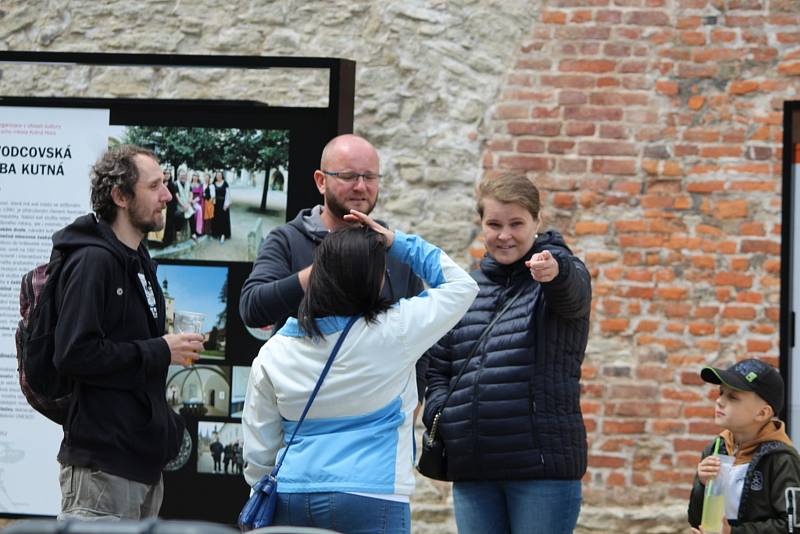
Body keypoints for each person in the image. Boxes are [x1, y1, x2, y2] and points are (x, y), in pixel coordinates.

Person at [243, 211, 478, 533]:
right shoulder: (396, 329)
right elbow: (462, 286)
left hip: (292, 495)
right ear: (375, 279)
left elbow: (260, 443)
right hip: (373, 494)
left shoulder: (275, 351)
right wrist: (395, 241)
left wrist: (262, 485)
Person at [423, 173, 591, 534]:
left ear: (537, 222)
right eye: (494, 224)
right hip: (474, 469)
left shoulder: (561, 271)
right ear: (481, 223)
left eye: (517, 223)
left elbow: (572, 293)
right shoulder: (464, 289)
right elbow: (438, 368)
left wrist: (554, 273)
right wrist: (442, 412)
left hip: (540, 471)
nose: (505, 235)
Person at [52, 145, 204, 520]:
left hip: (141, 465)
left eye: (166, 184)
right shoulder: (92, 262)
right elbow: (75, 353)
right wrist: (159, 350)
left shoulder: (140, 261)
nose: (168, 196)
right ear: (120, 196)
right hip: (102, 470)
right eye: (155, 186)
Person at [239, 134, 428, 412]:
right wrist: (321, 272)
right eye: (349, 176)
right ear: (320, 180)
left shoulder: (395, 250)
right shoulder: (287, 240)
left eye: (369, 177)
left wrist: (415, 400)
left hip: (378, 423)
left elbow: (423, 332)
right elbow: (253, 308)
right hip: (307, 418)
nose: (361, 186)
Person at [688, 359, 800, 533]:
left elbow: (792, 526)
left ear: (762, 413)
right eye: (721, 393)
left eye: (733, 397)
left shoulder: (782, 459)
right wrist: (702, 485)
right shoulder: (715, 449)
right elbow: (696, 520)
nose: (719, 401)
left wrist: (734, 532)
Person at [211, 171, 231, 244]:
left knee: (223, 219)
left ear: (222, 176)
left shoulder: (225, 183)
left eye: (220, 175)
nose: (218, 176)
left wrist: (226, 204)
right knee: (216, 219)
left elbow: (228, 194)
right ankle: (216, 233)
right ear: (215, 176)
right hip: (216, 204)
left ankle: (223, 234)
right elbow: (211, 194)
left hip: (224, 204)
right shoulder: (213, 184)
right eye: (217, 175)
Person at [175, 169, 193, 241]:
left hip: (187, 204)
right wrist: (183, 205)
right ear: (178, 176)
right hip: (179, 205)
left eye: (184, 175)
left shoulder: (188, 183)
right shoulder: (176, 184)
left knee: (192, 214)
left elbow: (191, 194)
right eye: (181, 175)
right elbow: (177, 196)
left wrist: (188, 203)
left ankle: (193, 233)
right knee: (178, 215)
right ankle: (178, 232)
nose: (183, 177)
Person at [189, 172, 205, 238]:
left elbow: (201, 194)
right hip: (189, 201)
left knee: (199, 209)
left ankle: (198, 230)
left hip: (197, 201)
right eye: (194, 176)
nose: (195, 178)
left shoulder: (200, 185)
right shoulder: (189, 184)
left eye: (196, 176)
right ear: (192, 177)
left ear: (198, 178)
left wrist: (195, 201)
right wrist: (191, 201)